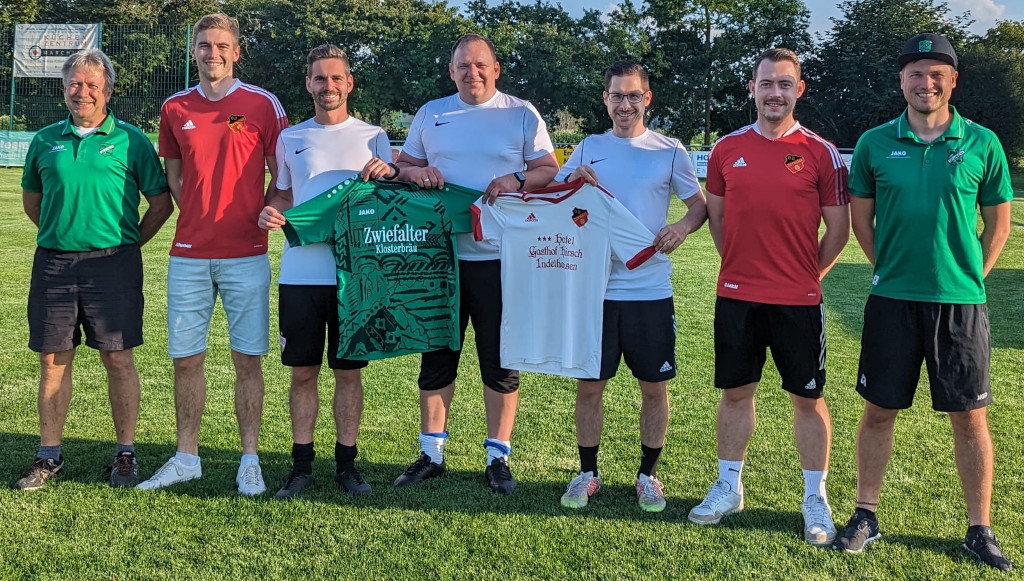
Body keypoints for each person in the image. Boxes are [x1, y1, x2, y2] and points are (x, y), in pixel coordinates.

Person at [833, 33, 1014, 571]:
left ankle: (979, 529)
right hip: (891, 299)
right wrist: (888, 267)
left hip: (961, 305)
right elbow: (862, 221)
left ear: (953, 81)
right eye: (915, 73)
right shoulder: (873, 143)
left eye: (937, 73)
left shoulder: (982, 142)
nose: (925, 82)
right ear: (901, 81)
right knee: (878, 411)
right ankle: (866, 515)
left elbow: (998, 225)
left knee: (970, 418)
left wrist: (969, 276)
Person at [688, 48, 850, 547]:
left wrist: (806, 275)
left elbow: (838, 231)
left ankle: (815, 496)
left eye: (784, 84)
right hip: (737, 296)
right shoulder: (725, 149)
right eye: (766, 83)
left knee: (808, 398)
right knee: (736, 393)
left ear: (798, 90)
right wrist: (740, 268)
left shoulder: (821, 152)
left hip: (798, 300)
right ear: (752, 89)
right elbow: (718, 220)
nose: (774, 93)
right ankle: (728, 486)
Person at [393, 33, 559, 494]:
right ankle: (431, 454)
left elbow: (548, 170)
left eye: (481, 65)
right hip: (440, 258)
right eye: (463, 66)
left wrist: (516, 177)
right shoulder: (432, 113)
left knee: (501, 361)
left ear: (496, 68)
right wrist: (416, 172)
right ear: (451, 71)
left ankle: (497, 457)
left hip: (502, 260)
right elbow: (402, 168)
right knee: (436, 356)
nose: (473, 73)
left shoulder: (520, 113)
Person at [137, 13, 287, 496]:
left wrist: (263, 211)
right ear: (194, 51)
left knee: (248, 360)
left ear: (236, 52)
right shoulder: (174, 106)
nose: (212, 53)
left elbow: (282, 176)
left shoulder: (262, 104)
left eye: (222, 45)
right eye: (204, 45)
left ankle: (250, 460)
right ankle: (186, 458)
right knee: (186, 360)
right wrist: (201, 217)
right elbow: (175, 176)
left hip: (247, 254)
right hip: (188, 256)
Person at [551, 61, 706, 512]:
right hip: (594, 290)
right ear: (605, 99)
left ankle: (648, 476)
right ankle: (587, 473)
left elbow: (698, 206)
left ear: (647, 99)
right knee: (589, 387)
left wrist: (681, 226)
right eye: (617, 95)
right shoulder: (588, 147)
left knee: (653, 387)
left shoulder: (669, 150)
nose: (625, 104)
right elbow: (557, 200)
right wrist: (573, 182)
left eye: (633, 95)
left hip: (649, 290)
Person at [15, 49, 172, 490]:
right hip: (54, 264)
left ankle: (125, 453)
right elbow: (33, 202)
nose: (82, 92)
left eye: (91, 85)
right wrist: (64, 232)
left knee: (118, 357)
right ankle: (49, 455)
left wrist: (128, 244)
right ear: (64, 88)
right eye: (74, 83)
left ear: (108, 90)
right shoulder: (45, 139)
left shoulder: (131, 140)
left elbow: (161, 204)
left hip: (113, 265)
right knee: (53, 359)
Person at [258, 44, 396, 500]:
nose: (328, 86)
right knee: (302, 373)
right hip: (301, 275)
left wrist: (391, 173)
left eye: (336, 78)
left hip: (355, 277)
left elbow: (388, 199)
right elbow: (282, 194)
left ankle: (347, 465)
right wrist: (271, 211)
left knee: (348, 373)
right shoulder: (291, 137)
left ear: (349, 83)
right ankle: (301, 468)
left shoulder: (374, 136)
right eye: (320, 78)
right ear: (308, 84)